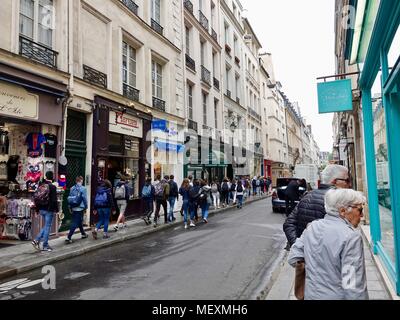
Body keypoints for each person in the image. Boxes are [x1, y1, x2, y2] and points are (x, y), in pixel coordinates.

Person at [288, 188, 368, 300]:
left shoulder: (312, 227)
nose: (362, 216)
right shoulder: (351, 236)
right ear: (343, 211)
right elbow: (353, 285)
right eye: (360, 210)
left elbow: (293, 257)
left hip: (310, 295)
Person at [283, 164, 351, 248]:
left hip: (308, 257)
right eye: (347, 180)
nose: (350, 184)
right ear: (334, 181)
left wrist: (298, 249)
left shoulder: (307, 196)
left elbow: (288, 223)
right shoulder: (340, 200)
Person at [31, 171, 59, 252]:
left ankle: (36, 240)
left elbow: (37, 198)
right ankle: (44, 245)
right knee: (47, 227)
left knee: (46, 226)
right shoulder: (52, 187)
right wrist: (56, 210)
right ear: (52, 177)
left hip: (41, 209)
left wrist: (37, 209)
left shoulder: (41, 185)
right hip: (48, 210)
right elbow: (54, 200)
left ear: (46, 176)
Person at [65, 176, 89, 244]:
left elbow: (69, 198)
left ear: (76, 181)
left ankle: (83, 234)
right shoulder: (83, 188)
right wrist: (86, 207)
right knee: (75, 222)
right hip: (80, 207)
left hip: (73, 207)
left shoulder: (72, 188)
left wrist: (70, 207)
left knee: (79, 221)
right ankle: (68, 237)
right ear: (81, 180)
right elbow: (84, 199)